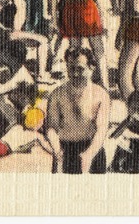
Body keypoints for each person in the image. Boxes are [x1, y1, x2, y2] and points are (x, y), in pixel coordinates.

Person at [45, 46, 109, 174]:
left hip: (93, 149)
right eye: (71, 69)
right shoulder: (57, 95)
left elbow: (102, 129)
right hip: (65, 151)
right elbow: (51, 127)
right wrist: (57, 151)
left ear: (92, 68)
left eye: (80, 69)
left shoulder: (101, 95)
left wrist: (89, 154)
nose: (74, 74)